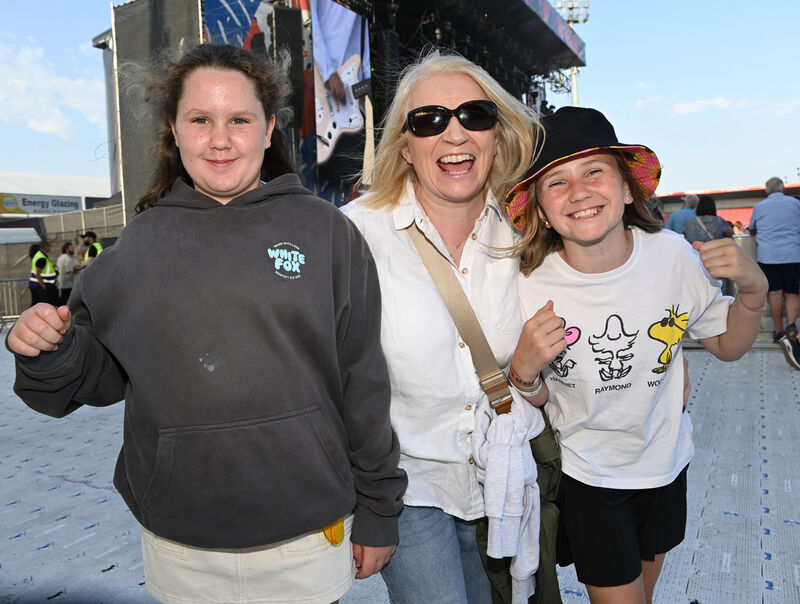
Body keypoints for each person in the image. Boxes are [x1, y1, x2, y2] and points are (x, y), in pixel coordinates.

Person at [7, 43, 406, 604]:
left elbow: (363, 382)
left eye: (239, 119)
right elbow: (89, 381)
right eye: (201, 120)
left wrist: (379, 509)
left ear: (268, 130)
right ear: (175, 128)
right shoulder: (137, 248)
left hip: (307, 536)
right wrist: (48, 347)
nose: (220, 139)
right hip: (181, 546)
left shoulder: (327, 233)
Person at [504, 106, 768, 604]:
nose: (579, 192)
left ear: (627, 188)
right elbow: (535, 398)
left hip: (667, 463)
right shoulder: (526, 285)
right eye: (556, 183)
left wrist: (754, 290)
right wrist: (523, 371)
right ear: (540, 210)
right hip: (590, 476)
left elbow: (729, 346)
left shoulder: (673, 257)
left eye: (594, 171)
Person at [342, 51, 546, 603]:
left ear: (497, 136)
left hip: (498, 481)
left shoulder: (527, 234)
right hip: (404, 485)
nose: (453, 133)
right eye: (428, 120)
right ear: (404, 147)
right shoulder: (355, 233)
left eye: (474, 115)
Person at [310, 0, 371, 206]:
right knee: (321, 178)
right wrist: (329, 74)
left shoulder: (364, 8)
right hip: (321, 86)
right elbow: (311, 25)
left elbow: (364, 50)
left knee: (351, 176)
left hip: (351, 106)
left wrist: (365, 85)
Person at [748, 176, 800, 369]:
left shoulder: (760, 207)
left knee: (775, 293)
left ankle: (779, 331)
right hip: (793, 253)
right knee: (792, 293)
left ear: (767, 191)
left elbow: (752, 229)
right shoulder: (795, 204)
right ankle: (791, 325)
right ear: (783, 188)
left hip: (768, 255)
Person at [27, 241, 59, 307]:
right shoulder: (42, 258)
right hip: (41, 285)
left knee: (36, 304)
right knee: (43, 305)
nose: (51, 248)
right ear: (45, 247)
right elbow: (37, 274)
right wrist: (44, 287)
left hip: (37, 285)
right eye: (49, 246)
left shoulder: (40, 256)